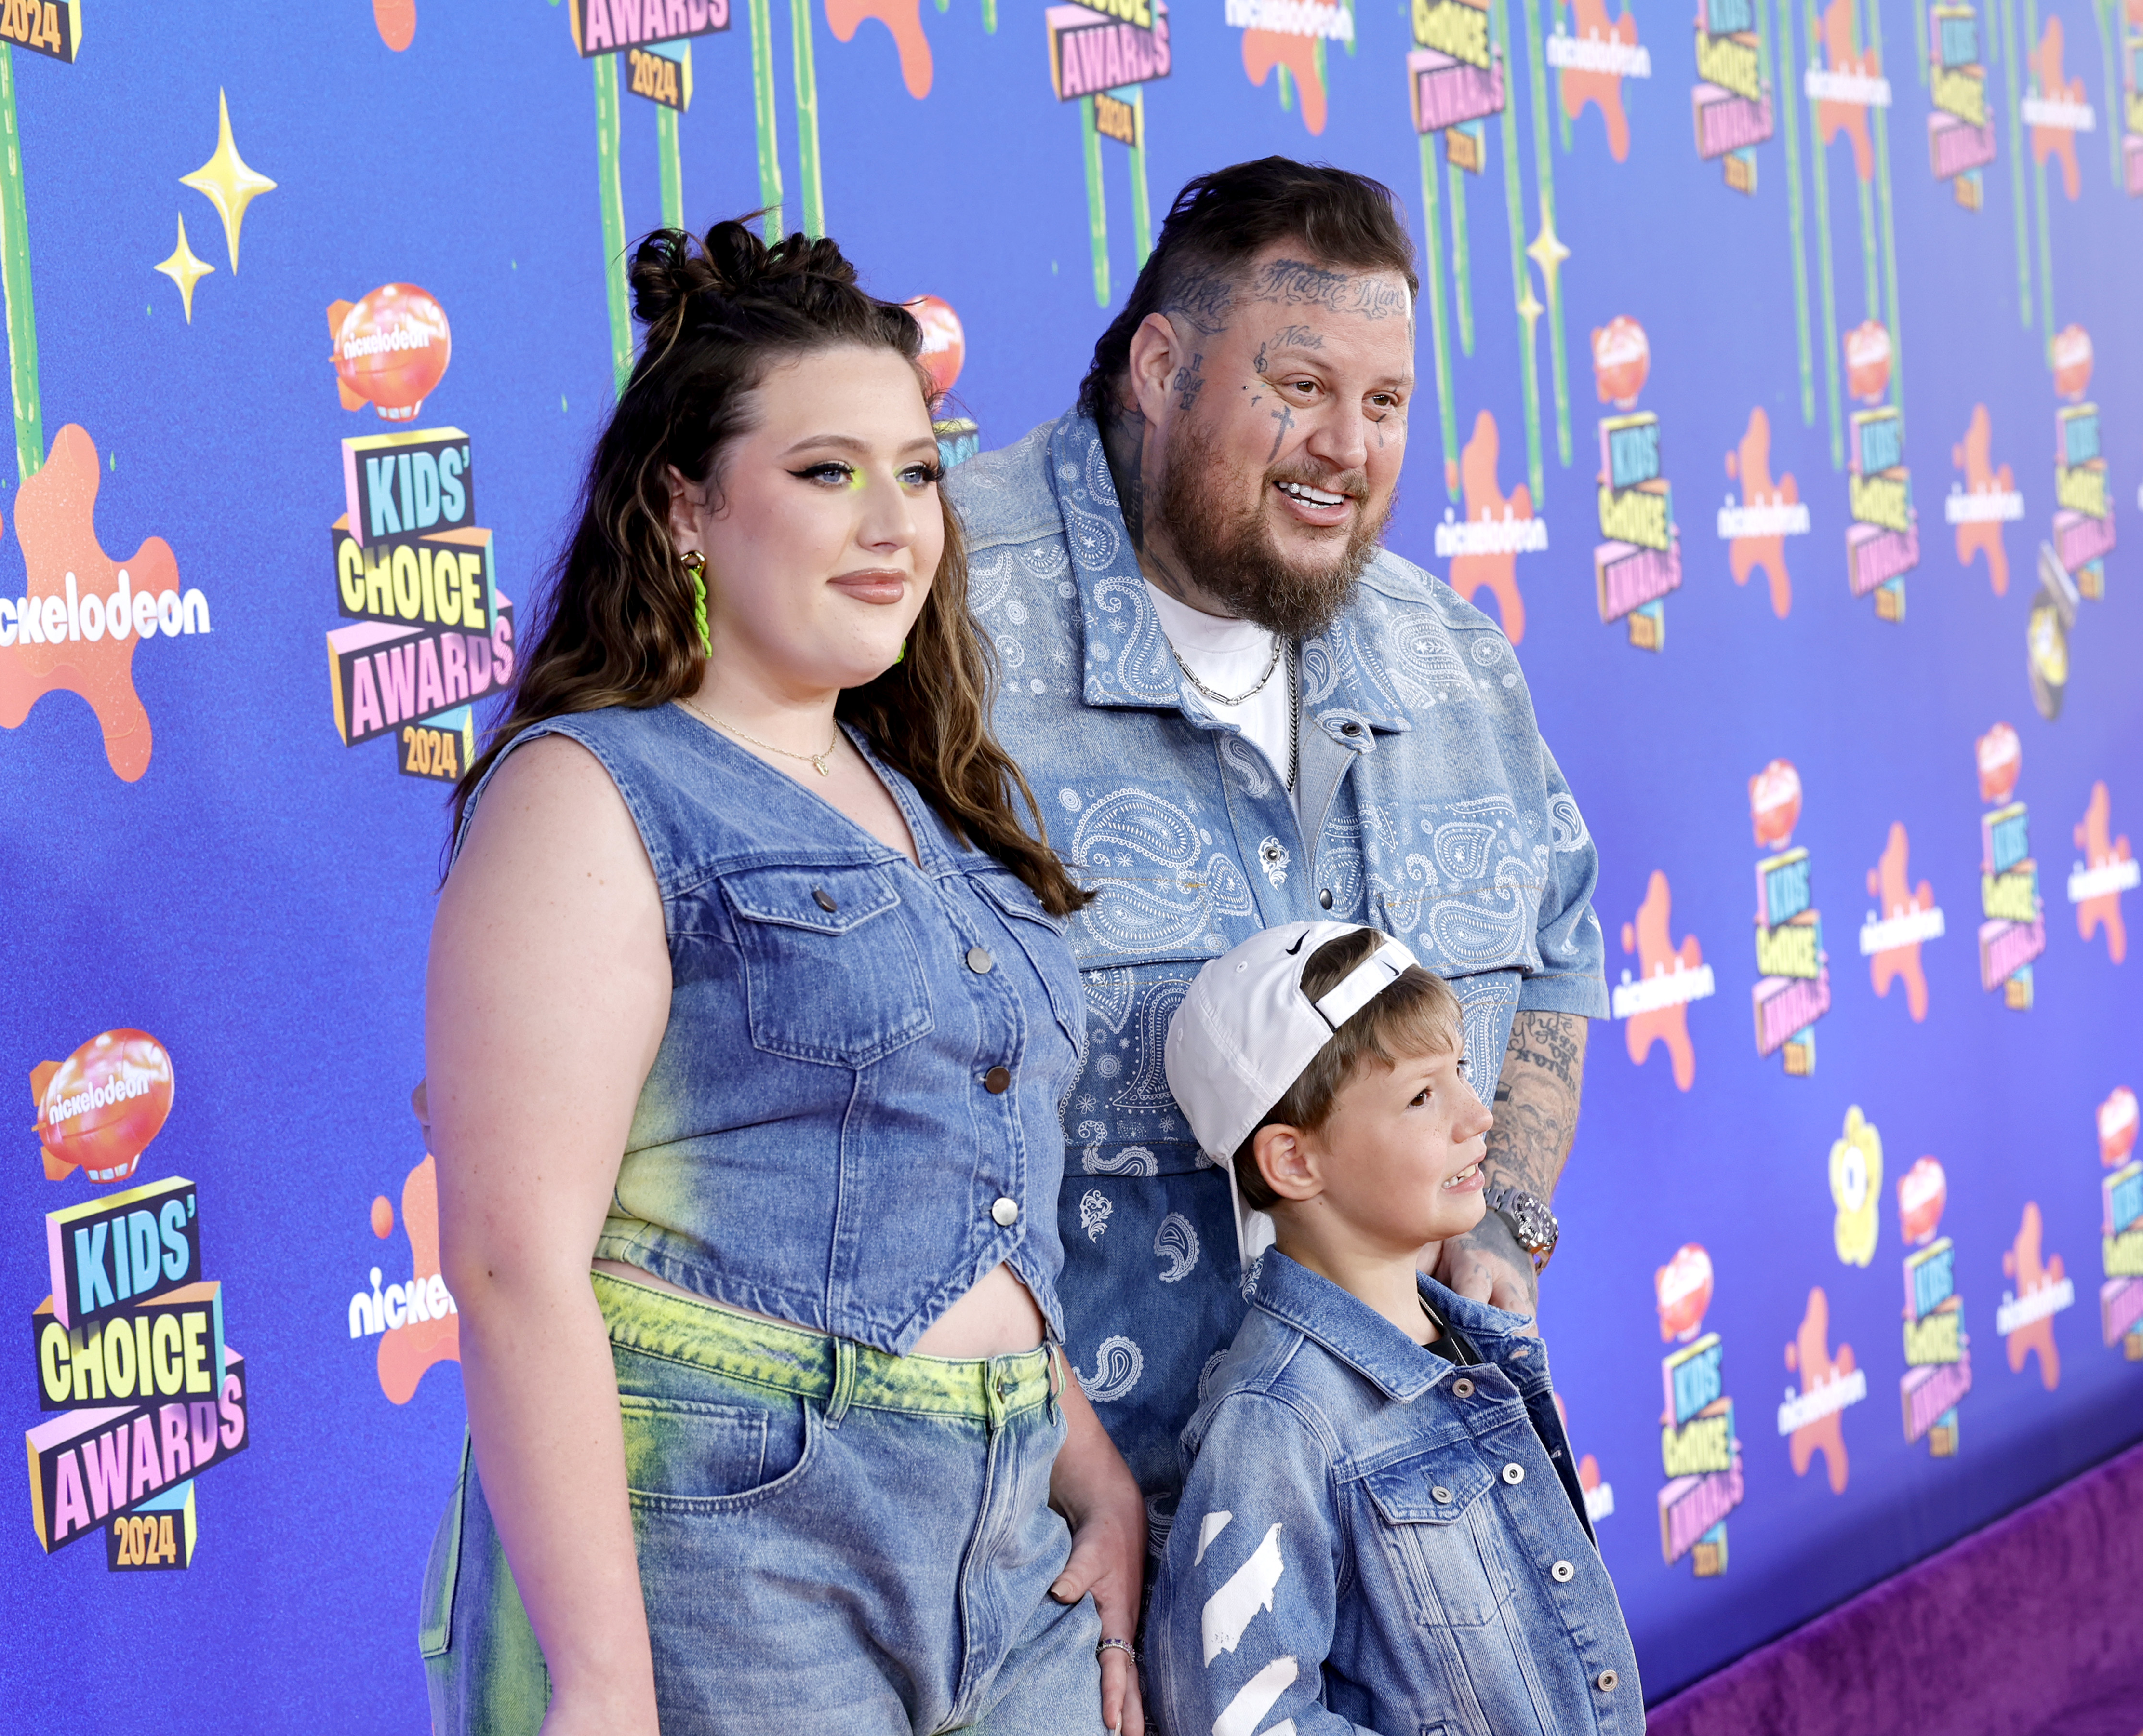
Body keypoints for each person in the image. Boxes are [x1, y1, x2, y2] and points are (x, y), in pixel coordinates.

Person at [421, 219, 1147, 1736]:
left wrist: (1092, 1470)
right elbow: (508, 1262)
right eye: (828, 472)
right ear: (687, 506)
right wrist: (606, 1681)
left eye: (921, 469)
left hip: (1012, 1562)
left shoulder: (930, 796)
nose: (895, 521)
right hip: (732, 1556)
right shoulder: (592, 791)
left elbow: (952, 1195)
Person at [946, 157, 1604, 1539]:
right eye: (1298, 386)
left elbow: (1555, 951)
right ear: (1162, 366)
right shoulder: (930, 626)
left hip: (1398, 1528)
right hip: (1053, 1576)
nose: (1347, 449)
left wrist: (1506, 1224)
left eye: (1384, 404)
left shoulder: (1452, 657)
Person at [1146, 924, 1642, 1735]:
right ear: (1295, 1162)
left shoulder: (1477, 1343)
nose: (1478, 1117)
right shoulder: (1276, 1423)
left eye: (1463, 1074)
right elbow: (1239, 1717)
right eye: (1422, 1096)